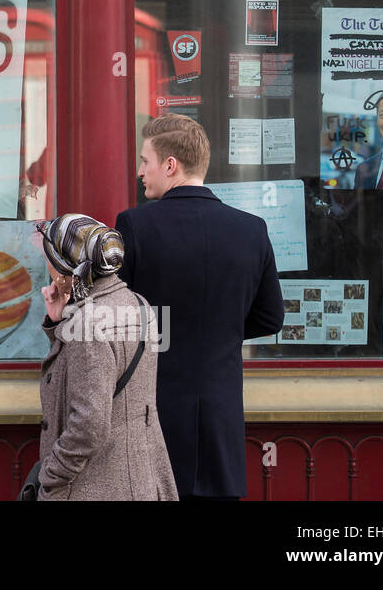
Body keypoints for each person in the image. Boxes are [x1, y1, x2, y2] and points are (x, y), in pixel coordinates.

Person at [114, 114, 284, 500]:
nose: (140, 171)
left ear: (170, 165)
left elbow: (118, 315)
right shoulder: (252, 228)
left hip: (151, 413)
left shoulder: (135, 225)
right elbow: (271, 317)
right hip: (220, 416)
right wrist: (220, 328)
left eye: (145, 161)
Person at [26, 213, 177, 501]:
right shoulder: (139, 306)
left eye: (48, 257)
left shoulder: (88, 324)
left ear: (61, 269)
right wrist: (61, 321)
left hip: (94, 486)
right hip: (139, 479)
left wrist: (51, 475)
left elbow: (89, 426)